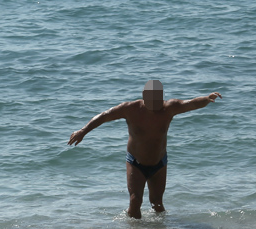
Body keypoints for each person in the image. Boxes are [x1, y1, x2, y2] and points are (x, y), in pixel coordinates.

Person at [68, 80, 222, 218]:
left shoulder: (169, 108)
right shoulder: (130, 109)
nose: (155, 103)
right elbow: (104, 116)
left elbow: (191, 103)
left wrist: (207, 99)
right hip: (136, 162)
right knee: (135, 201)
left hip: (159, 163)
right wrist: (83, 131)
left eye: (158, 99)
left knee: (157, 204)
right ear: (144, 95)